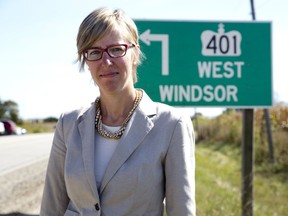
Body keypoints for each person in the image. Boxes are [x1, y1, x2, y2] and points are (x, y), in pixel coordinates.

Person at [40, 7, 196, 216]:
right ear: (86, 60)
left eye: (116, 49)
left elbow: (182, 212)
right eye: (94, 52)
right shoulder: (68, 124)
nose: (106, 62)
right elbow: (52, 207)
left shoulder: (172, 125)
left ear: (135, 53)